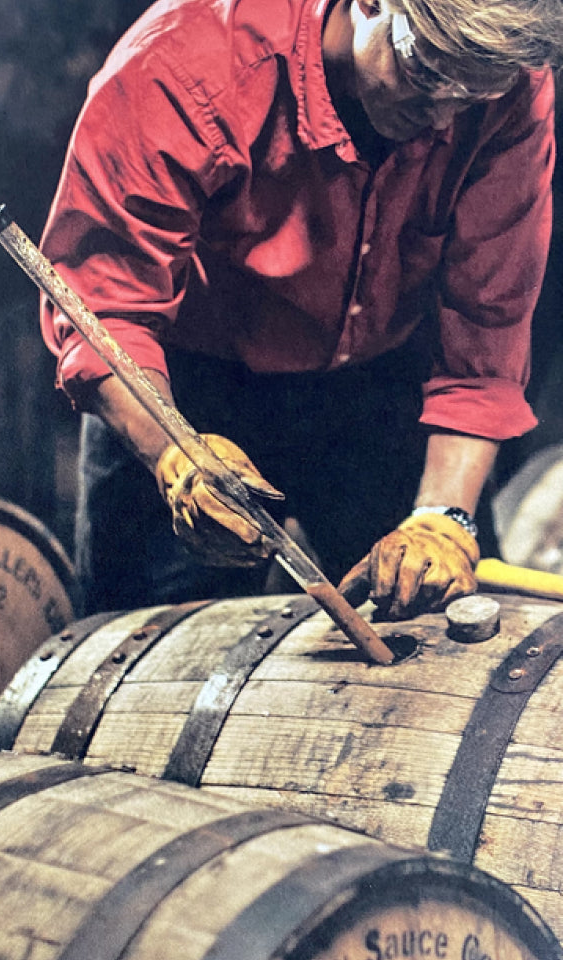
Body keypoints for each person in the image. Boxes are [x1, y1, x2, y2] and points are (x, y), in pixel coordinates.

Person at [38, 0, 563, 620]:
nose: (443, 115)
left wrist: (443, 518)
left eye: (471, 96)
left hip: (376, 384)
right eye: (426, 71)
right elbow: (104, 309)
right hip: (186, 384)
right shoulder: (184, 61)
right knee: (142, 644)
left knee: (445, 626)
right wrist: (171, 453)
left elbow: (487, 327)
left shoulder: (504, 81)